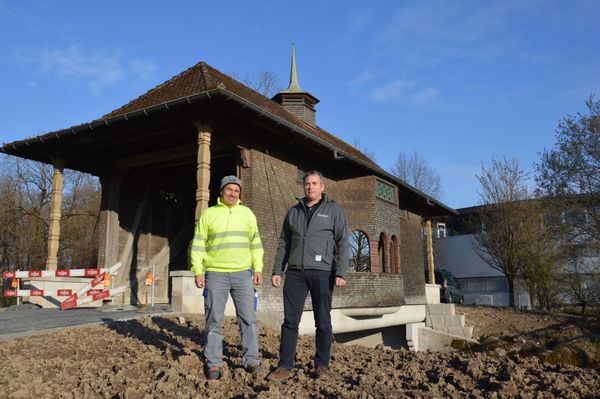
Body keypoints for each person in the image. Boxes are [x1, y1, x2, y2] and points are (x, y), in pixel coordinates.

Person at [268, 170, 349, 381]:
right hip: (295, 273)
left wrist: (341, 272)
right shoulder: (293, 211)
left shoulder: (333, 210)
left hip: (323, 273)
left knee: (322, 321)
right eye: (307, 184)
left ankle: (322, 366)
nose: (310, 187)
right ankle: (285, 366)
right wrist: (278, 270)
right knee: (290, 321)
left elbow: (343, 241)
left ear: (322, 187)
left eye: (314, 183)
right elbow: (284, 242)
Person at [191, 175, 264, 380]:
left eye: (236, 190)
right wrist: (198, 270)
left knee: (248, 318)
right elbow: (199, 244)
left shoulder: (247, 214)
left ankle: (251, 359)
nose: (232, 193)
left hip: (243, 274)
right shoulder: (209, 214)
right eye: (229, 189)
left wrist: (257, 268)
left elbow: (255, 244)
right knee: (213, 318)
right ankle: (214, 362)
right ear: (222, 191)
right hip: (216, 274)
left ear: (239, 194)